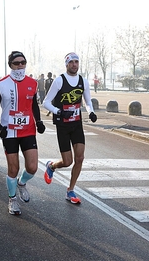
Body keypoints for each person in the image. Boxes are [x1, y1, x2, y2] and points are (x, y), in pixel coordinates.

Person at [0, 51, 45, 215]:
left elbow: (33, 105)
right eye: (16, 63)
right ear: (10, 65)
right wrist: (0, 128)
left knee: (33, 167)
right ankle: (12, 200)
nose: (20, 66)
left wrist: (39, 121)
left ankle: (22, 183)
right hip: (10, 132)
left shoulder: (32, 83)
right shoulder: (1, 84)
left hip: (28, 130)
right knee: (13, 169)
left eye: (23, 62)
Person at [42, 52, 97, 204]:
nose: (74, 65)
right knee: (67, 162)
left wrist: (91, 112)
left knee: (80, 158)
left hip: (76, 123)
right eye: (71, 62)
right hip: (63, 124)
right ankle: (52, 166)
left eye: (76, 62)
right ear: (66, 64)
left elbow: (87, 101)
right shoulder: (60, 81)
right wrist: (59, 111)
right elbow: (46, 102)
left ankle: (70, 190)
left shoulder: (83, 81)